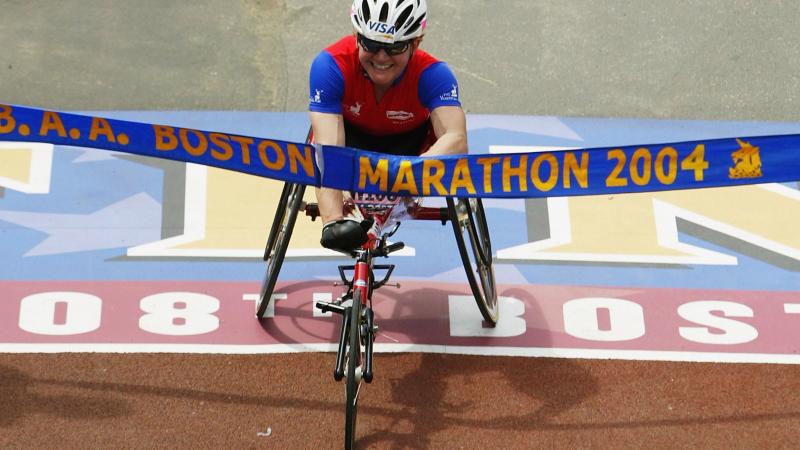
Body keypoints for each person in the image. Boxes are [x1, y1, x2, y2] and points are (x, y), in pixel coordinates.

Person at [309, 0, 468, 251]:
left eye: (395, 47)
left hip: (409, 151)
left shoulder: (434, 74)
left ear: (416, 43)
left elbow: (455, 138)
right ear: (356, 36)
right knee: (319, 143)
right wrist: (333, 221)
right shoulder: (330, 66)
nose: (381, 57)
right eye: (371, 44)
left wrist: (409, 173)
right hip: (349, 143)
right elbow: (328, 146)